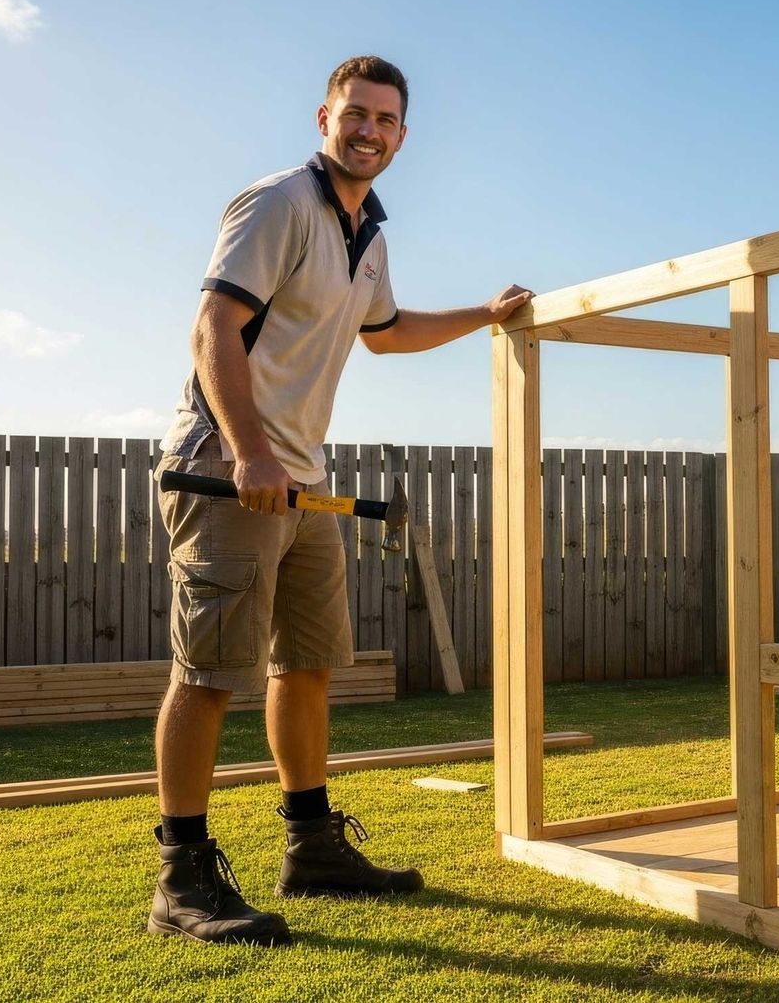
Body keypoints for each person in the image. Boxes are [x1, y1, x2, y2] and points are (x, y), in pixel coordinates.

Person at [147, 55, 532, 945]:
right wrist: (248, 452)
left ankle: (312, 845)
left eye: (385, 120)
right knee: (209, 674)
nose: (369, 131)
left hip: (302, 480)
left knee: (309, 663)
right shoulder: (280, 202)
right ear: (325, 117)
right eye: (356, 113)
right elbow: (212, 327)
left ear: (403, 135)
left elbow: (387, 335)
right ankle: (181, 878)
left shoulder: (370, 236)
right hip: (227, 467)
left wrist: (485, 313)